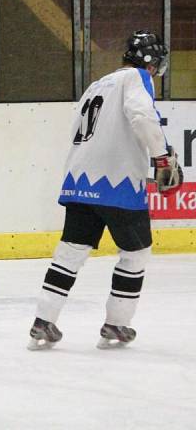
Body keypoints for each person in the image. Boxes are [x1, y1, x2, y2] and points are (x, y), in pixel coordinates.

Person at [28, 31, 182, 351]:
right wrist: (161, 156)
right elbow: (142, 115)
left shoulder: (97, 84)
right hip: (118, 184)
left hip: (80, 180)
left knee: (70, 251)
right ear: (150, 62)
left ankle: (43, 319)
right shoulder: (138, 77)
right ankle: (117, 323)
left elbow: (79, 132)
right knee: (135, 252)